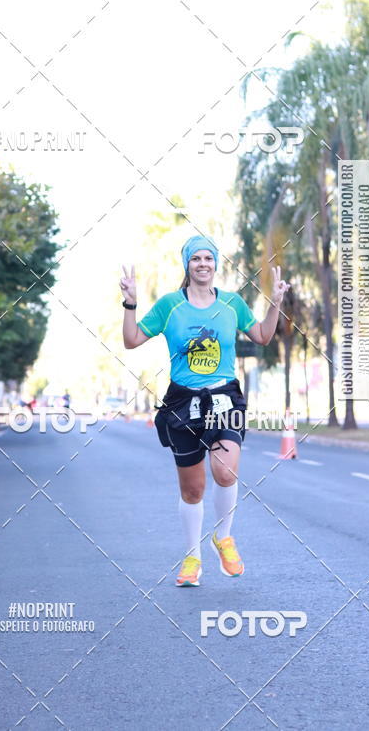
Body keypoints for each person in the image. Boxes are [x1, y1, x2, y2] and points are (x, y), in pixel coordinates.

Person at [120, 235, 289, 587]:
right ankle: (193, 556)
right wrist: (130, 304)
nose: (202, 264)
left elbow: (262, 336)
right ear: (187, 265)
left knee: (225, 472)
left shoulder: (231, 304)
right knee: (193, 490)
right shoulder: (170, 306)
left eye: (208, 258)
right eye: (195, 258)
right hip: (183, 402)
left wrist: (275, 303)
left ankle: (223, 537)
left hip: (225, 396)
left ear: (215, 264)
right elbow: (132, 340)